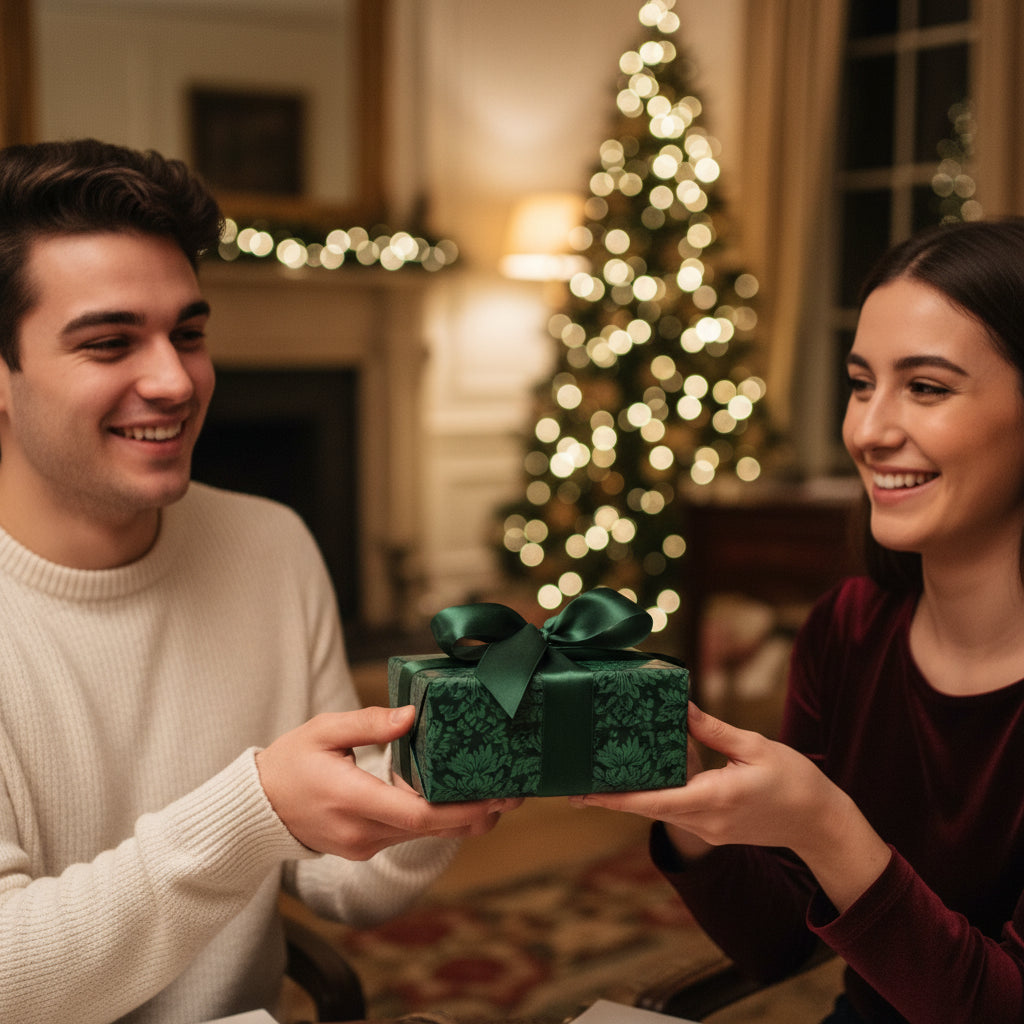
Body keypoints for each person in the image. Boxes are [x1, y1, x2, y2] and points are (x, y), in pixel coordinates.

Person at [0, 138, 519, 1024]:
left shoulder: (270, 544)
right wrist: (254, 810)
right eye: (110, 343)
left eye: (188, 334)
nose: (175, 381)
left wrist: (449, 768)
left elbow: (341, 883)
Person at [574, 217, 1024, 1023]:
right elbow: (779, 943)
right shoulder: (848, 629)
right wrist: (685, 801)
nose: (869, 431)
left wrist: (826, 825)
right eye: (861, 383)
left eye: (926, 387)